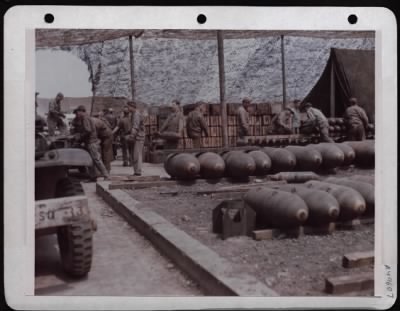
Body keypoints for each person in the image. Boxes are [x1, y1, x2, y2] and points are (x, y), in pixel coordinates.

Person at [71, 105, 109, 180]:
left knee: (96, 159)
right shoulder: (85, 118)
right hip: (89, 142)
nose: (77, 114)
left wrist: (80, 137)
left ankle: (106, 175)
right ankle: (93, 176)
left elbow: (88, 130)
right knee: (90, 160)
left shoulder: (85, 118)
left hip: (91, 142)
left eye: (78, 112)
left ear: (82, 111)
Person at [126, 101, 146, 176]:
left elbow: (135, 127)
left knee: (137, 154)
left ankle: (138, 171)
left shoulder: (136, 114)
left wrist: (131, 136)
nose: (127, 108)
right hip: (137, 136)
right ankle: (136, 171)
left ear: (132, 107)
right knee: (135, 154)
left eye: (128, 107)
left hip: (139, 137)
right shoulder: (133, 114)